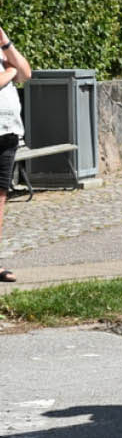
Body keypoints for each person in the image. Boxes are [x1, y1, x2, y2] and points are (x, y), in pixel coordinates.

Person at [0, 26, 33, 282]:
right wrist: (9, 73)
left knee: (0, 200)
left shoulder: (3, 52)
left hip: (8, 133)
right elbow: (14, 75)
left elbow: (25, 73)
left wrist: (6, 43)